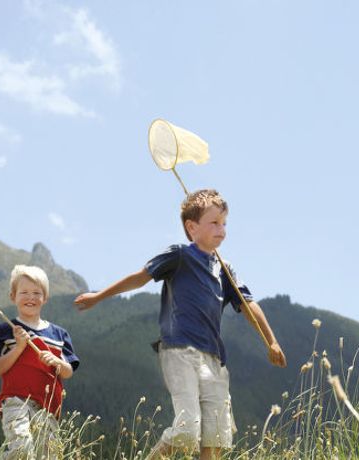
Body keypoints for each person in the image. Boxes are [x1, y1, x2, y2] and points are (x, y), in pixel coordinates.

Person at [74, 189, 286, 460]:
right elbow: (140, 277)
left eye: (224, 223)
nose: (221, 229)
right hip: (180, 351)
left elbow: (247, 304)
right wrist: (98, 296)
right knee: (188, 431)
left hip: (214, 360)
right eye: (214, 223)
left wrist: (271, 340)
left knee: (215, 440)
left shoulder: (226, 269)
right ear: (191, 227)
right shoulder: (180, 256)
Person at [0, 264, 79, 459]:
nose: (31, 297)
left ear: (45, 298)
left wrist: (56, 361)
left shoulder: (58, 335)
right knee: (22, 447)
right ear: (13, 296)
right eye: (24, 292)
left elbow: (68, 371)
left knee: (48, 456)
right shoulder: (5, 331)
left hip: (49, 407)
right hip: (16, 400)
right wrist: (19, 347)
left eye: (37, 292)